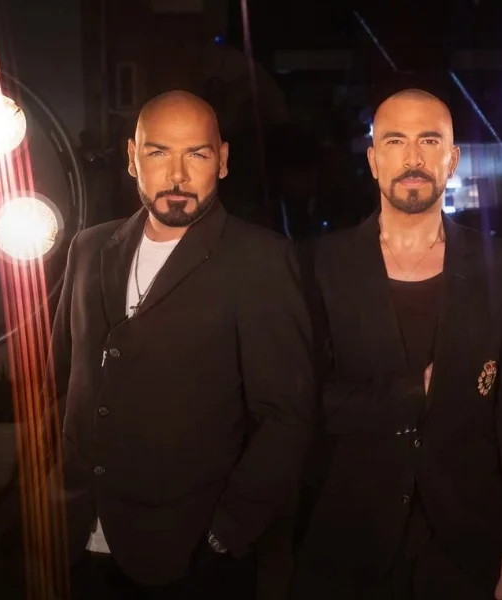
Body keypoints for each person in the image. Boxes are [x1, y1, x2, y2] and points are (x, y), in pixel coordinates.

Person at [47, 90, 314, 599]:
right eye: (158, 152)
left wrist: (226, 532)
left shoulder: (260, 259)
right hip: (78, 539)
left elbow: (288, 415)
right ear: (132, 158)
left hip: (191, 555)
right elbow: (61, 379)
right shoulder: (87, 248)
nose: (177, 175)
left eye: (197, 154)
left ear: (223, 160)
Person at [290, 87, 502, 600]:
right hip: (347, 541)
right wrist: (413, 393)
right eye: (395, 141)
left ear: (452, 159)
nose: (413, 159)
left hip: (469, 544)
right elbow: (301, 403)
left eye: (429, 141)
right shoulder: (316, 266)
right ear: (373, 160)